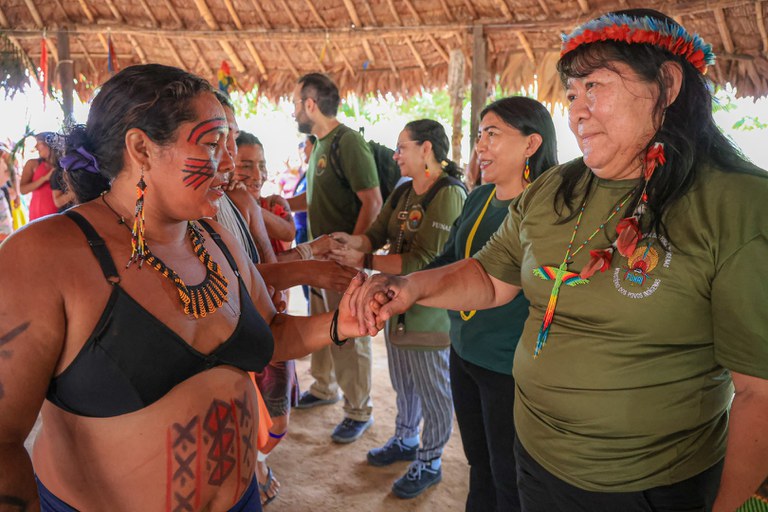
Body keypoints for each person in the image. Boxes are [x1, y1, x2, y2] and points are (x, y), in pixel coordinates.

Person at [353, 9, 768, 512]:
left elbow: (758, 394)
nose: (576, 111)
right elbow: (490, 276)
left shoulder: (738, 204)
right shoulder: (555, 187)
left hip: (648, 488)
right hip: (536, 459)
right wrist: (413, 288)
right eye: (572, 93)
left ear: (668, 82)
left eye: (595, 86)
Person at [0, 63, 370, 511]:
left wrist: (341, 323)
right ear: (141, 148)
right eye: (215, 144)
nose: (230, 163)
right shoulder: (46, 254)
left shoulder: (214, 236)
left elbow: (271, 332)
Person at [425, 97, 557, 511]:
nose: (480, 146)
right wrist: (398, 285)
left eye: (493, 134)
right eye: (480, 135)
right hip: (464, 351)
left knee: (508, 475)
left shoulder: (546, 211)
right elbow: (449, 260)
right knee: (477, 465)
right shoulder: (479, 197)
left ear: (531, 144)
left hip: (507, 367)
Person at [331, 119, 466, 498]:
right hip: (395, 308)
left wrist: (364, 258)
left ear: (426, 149)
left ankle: (431, 459)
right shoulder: (405, 191)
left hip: (430, 313)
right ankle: (406, 440)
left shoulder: (449, 194)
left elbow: (425, 260)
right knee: (405, 382)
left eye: (401, 147)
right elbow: (375, 234)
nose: (395, 156)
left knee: (434, 390)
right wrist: (350, 242)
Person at [286, 72, 382, 444]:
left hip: (344, 263)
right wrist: (279, 204)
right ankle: (324, 388)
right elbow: (314, 201)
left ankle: (359, 409)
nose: (294, 111)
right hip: (321, 260)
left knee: (351, 332)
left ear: (311, 105)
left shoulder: (348, 142)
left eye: (296, 103)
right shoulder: (320, 144)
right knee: (321, 324)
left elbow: (372, 201)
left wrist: (354, 252)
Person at [233, 131, 295, 255]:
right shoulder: (221, 212)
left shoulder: (273, 204)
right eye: (246, 166)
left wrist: (249, 205)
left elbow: (289, 233)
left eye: (262, 166)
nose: (258, 176)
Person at [20, 133, 58, 220]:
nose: (36, 147)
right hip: (38, 212)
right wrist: (44, 179)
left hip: (57, 210)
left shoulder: (61, 164)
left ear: (48, 144)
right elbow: (23, 190)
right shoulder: (32, 164)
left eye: (38, 143)